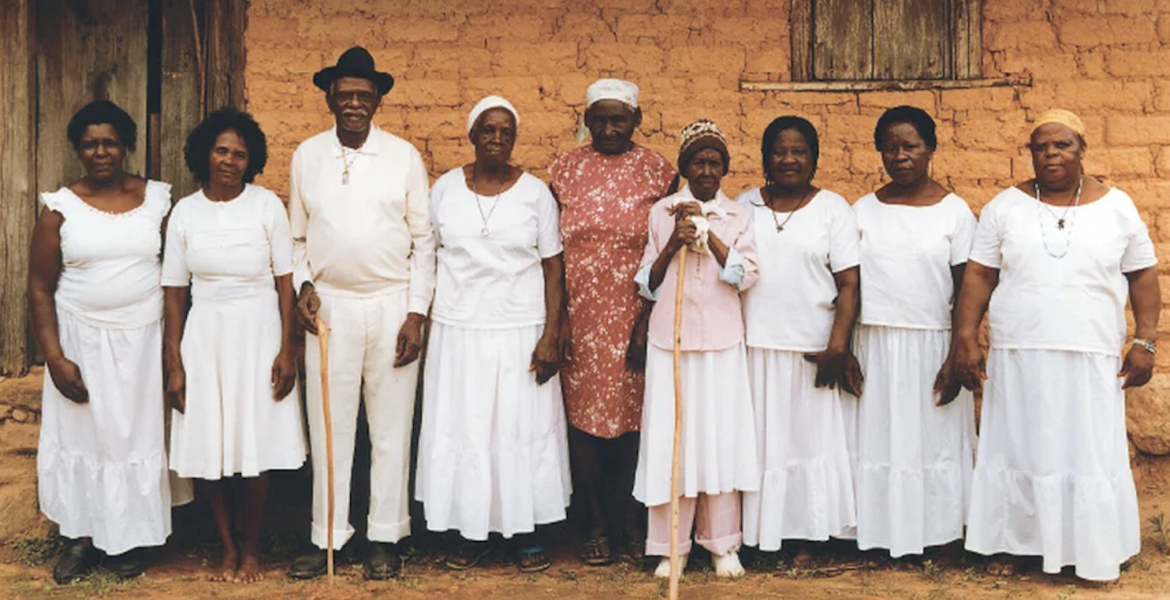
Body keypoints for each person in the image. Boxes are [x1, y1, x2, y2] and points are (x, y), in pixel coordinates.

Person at [954, 109, 1160, 581]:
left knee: (1086, 451)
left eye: (1062, 145)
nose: (1051, 154)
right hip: (1019, 351)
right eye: (1041, 146)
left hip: (1091, 352)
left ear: (1082, 149)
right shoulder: (1005, 206)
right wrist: (967, 337)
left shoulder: (1117, 206)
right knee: (1018, 448)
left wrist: (1144, 341)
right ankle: (1010, 544)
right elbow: (980, 275)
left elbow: (1143, 275)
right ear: (1031, 153)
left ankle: (1094, 547)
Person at [287, 46, 435, 581]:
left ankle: (385, 535)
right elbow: (297, 236)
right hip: (331, 309)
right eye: (345, 94)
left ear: (377, 101)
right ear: (329, 97)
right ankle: (328, 536)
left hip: (392, 302)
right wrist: (304, 283)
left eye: (363, 95)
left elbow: (424, 241)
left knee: (392, 427)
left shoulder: (403, 157)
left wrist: (416, 314)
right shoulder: (307, 155)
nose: (354, 103)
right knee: (331, 426)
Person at [415, 96, 571, 574]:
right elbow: (426, 256)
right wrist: (417, 317)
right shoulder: (444, 190)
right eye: (488, 129)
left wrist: (551, 333)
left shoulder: (534, 194)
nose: (497, 138)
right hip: (458, 329)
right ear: (471, 135)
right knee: (467, 428)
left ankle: (523, 532)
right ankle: (469, 531)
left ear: (514, 139)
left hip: (519, 329)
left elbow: (552, 266)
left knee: (518, 431)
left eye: (506, 131)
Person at [28, 100, 174, 583]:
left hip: (142, 340)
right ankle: (79, 538)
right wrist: (54, 357)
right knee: (83, 436)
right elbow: (40, 288)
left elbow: (177, 278)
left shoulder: (156, 201)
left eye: (110, 141)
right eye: (90, 144)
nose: (100, 152)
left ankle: (128, 538)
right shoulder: (60, 209)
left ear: (127, 145)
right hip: (79, 341)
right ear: (77, 149)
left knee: (133, 436)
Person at [162, 108, 306, 583]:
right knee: (209, 439)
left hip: (258, 332)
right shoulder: (184, 212)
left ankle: (253, 547)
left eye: (240, 154)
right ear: (205, 153)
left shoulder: (267, 206)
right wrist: (175, 363)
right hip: (206, 337)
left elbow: (286, 283)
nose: (229, 160)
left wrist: (288, 350)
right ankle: (226, 545)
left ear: (252, 161)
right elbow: (175, 292)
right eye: (222, 150)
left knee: (253, 441)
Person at [548, 78, 677, 565]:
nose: (606, 128)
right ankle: (594, 523)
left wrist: (646, 323)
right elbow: (552, 252)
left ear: (637, 121)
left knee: (633, 420)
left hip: (635, 312)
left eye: (618, 119)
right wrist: (557, 320)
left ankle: (630, 519)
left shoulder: (657, 171)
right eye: (597, 119)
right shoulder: (563, 170)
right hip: (579, 314)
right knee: (583, 424)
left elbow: (666, 245)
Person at [632, 119, 759, 579]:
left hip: (723, 343)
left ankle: (723, 544)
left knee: (719, 440)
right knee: (674, 441)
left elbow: (746, 276)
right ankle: (672, 548)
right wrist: (674, 240)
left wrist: (710, 237)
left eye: (714, 162)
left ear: (724, 168)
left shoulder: (739, 214)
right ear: (684, 166)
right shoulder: (662, 211)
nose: (706, 170)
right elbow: (646, 284)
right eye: (697, 162)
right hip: (673, 343)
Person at [850, 106, 977, 559]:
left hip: (932, 343)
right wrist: (846, 347)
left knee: (933, 439)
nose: (900, 156)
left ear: (931, 149)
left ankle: (939, 535)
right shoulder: (863, 210)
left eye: (911, 146)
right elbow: (849, 286)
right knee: (879, 437)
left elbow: (967, 288)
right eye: (890, 147)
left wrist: (957, 353)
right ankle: (880, 534)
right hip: (877, 342)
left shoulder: (955, 212)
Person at [736, 116, 861, 564]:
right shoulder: (743, 205)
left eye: (799, 152)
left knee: (809, 444)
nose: (788, 159)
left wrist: (838, 345)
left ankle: (808, 537)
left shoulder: (833, 208)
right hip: (753, 346)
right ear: (765, 157)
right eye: (779, 151)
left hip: (812, 349)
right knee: (760, 444)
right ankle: (758, 536)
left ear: (815, 158)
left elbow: (849, 283)